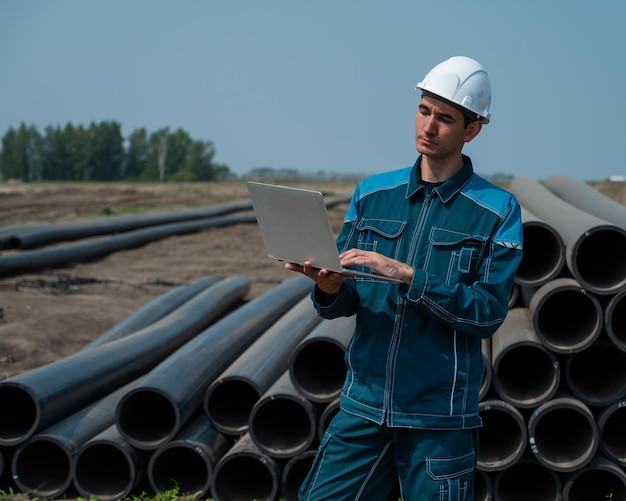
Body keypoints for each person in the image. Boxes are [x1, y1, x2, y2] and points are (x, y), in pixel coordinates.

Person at [286, 56, 523, 500]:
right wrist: (329, 286)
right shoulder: (373, 195)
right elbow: (346, 299)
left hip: (438, 420)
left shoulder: (497, 210)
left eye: (446, 118)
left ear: (472, 130)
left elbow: (488, 313)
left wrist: (411, 276)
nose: (429, 127)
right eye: (424, 110)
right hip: (364, 409)